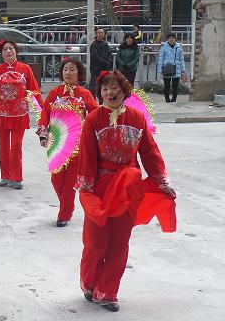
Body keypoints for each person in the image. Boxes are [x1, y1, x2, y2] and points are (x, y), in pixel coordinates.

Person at [77, 70, 176, 312]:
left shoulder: (137, 118)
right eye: (104, 89)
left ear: (124, 91)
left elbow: (150, 153)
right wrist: (86, 189)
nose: (109, 93)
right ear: (100, 93)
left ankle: (107, 292)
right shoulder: (93, 120)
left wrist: (161, 182)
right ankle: (89, 282)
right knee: (95, 241)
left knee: (120, 241)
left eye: (114, 88)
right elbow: (87, 156)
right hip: (100, 187)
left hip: (128, 188)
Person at [37, 58, 98, 227]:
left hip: (77, 144)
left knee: (70, 182)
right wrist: (43, 134)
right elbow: (45, 113)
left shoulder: (85, 95)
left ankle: (64, 214)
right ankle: (68, 206)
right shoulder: (54, 93)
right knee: (56, 180)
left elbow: (95, 115)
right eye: (65, 69)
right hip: (56, 143)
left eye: (72, 69)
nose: (68, 73)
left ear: (79, 73)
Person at [0, 39, 44, 190]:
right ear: (1, 54)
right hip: (1, 114)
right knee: (3, 146)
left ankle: (16, 177)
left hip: (19, 114)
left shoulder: (25, 69)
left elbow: (34, 89)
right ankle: (5, 176)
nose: (8, 51)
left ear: (16, 51)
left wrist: (43, 107)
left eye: (11, 48)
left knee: (16, 145)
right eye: (5, 49)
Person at [157, 33, 186, 103]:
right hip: (166, 69)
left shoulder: (179, 47)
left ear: (175, 39)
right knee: (167, 86)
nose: (171, 39)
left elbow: (181, 60)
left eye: (173, 38)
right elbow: (160, 59)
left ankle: (174, 100)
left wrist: (183, 70)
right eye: (170, 38)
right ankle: (167, 100)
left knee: (175, 86)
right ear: (167, 39)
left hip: (177, 69)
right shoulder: (163, 47)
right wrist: (160, 71)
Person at [88, 28, 113, 98]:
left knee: (104, 86)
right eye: (99, 33)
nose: (101, 34)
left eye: (102, 33)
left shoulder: (105, 44)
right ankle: (92, 100)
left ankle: (102, 100)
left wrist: (109, 61)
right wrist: (105, 62)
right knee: (94, 86)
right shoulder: (93, 45)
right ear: (96, 34)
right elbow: (95, 57)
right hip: (96, 69)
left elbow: (110, 54)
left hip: (105, 69)